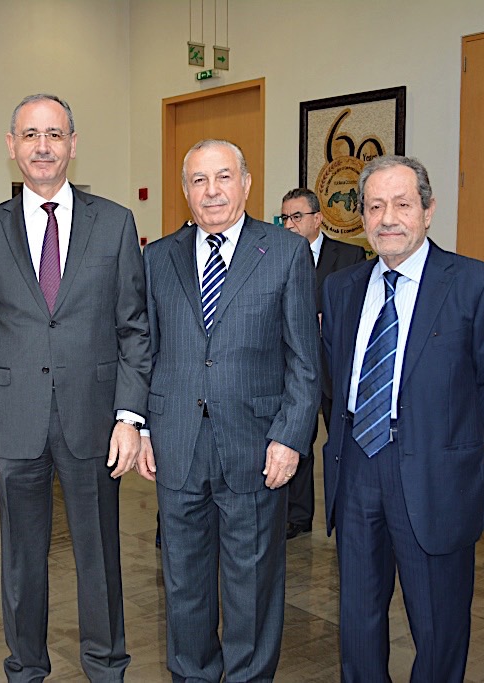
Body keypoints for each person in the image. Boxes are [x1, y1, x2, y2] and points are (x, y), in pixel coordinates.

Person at [0, 93, 150, 682]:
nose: (43, 146)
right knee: (21, 561)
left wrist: (130, 417)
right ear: (11, 146)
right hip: (12, 420)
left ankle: (107, 666)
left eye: (55, 134)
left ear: (72, 144)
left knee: (100, 556)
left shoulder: (114, 222)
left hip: (95, 418)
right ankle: (25, 668)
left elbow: (133, 328)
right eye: (31, 135)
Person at [321, 155, 484, 682]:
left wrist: (449, 444)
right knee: (358, 619)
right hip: (356, 467)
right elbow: (333, 376)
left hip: (437, 475)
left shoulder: (477, 284)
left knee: (438, 625)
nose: (388, 218)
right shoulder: (341, 289)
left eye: (402, 204)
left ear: (428, 211)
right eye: (375, 206)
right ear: (362, 217)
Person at [137, 139, 320, 682]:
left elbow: (304, 360)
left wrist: (290, 436)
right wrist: (141, 428)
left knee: (252, 585)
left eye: (223, 177)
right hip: (177, 444)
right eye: (198, 180)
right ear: (185, 190)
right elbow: (146, 352)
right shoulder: (158, 258)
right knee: (184, 583)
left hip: (257, 446)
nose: (211, 191)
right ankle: (191, 674)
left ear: (246, 183)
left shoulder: (284, 252)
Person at [281, 187, 366, 539]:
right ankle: (297, 517)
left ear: (317, 219)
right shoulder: (277, 255)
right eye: (284, 218)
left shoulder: (349, 255)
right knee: (297, 443)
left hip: (334, 368)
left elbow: (361, 309)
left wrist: (327, 321)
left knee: (343, 446)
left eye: (296, 216)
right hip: (293, 369)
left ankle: (349, 514)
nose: (289, 224)